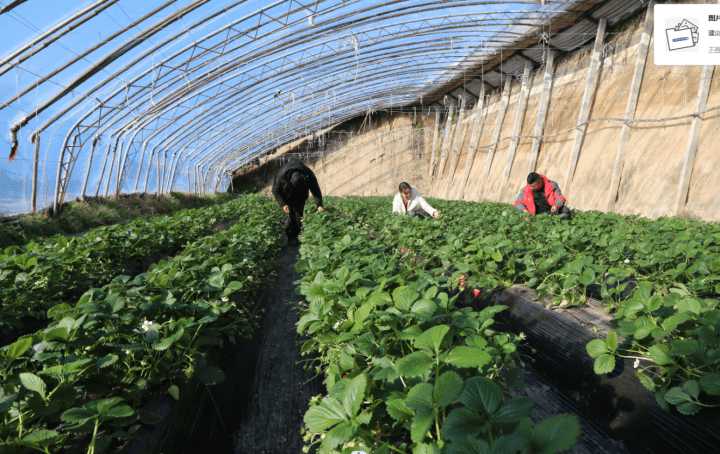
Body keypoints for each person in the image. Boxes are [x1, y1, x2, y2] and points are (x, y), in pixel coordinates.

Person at [271, 161, 323, 246]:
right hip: (287, 197)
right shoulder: (281, 175)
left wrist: (319, 204)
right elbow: (275, 190)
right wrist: (284, 204)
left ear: (303, 176)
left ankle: (295, 236)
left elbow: (315, 189)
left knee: (298, 217)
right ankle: (290, 237)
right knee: (288, 218)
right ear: (290, 180)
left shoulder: (308, 174)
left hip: (300, 197)